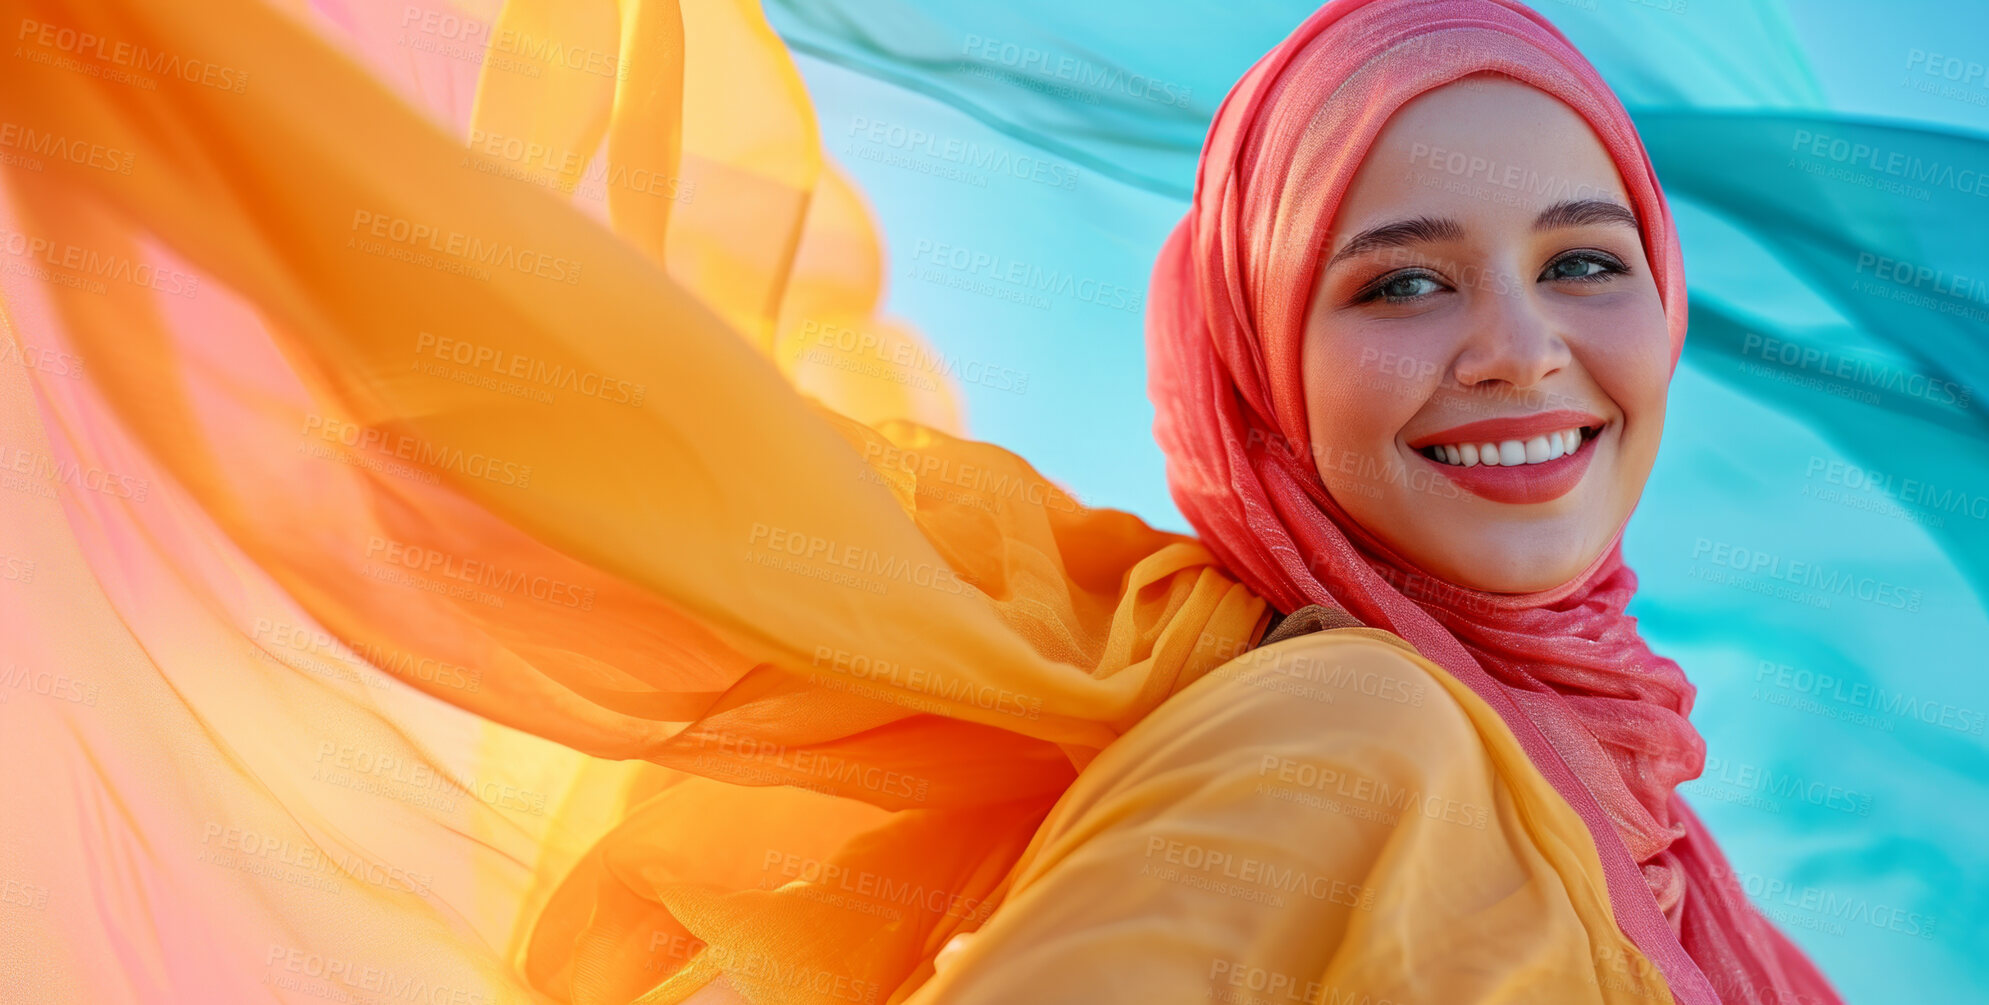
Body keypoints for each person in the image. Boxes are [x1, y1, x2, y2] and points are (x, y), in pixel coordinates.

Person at [0, 0, 1839, 1003]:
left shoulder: (1640, 823)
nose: (1520, 351)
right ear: (1258, 361)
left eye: (1583, 261)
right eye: (1399, 282)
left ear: (1665, 301)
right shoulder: (1356, 736)